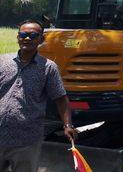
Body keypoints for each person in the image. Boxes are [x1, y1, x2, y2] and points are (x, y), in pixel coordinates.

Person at [0, 20, 77, 172]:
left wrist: (67, 125)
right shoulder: (2, 61)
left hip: (27, 139)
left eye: (33, 35)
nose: (27, 38)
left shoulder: (48, 68)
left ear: (41, 39)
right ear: (17, 37)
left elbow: (60, 98)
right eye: (23, 34)